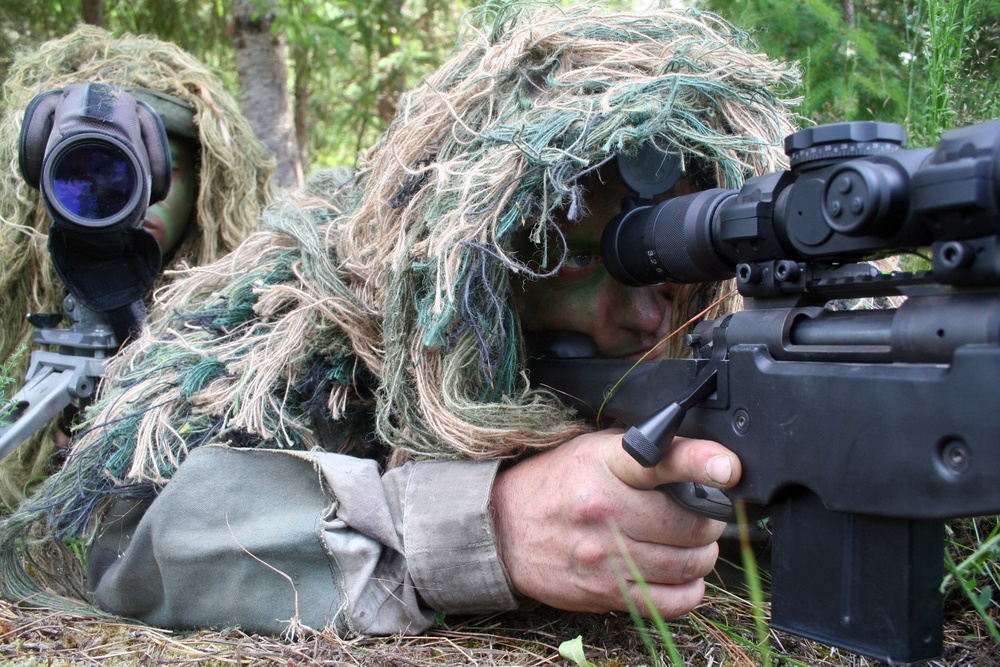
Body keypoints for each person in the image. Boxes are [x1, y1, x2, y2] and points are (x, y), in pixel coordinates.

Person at [0, 3, 798, 636]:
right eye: (579, 256)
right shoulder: (314, 318)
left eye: (673, 261)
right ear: (471, 268)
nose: (651, 307)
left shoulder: (736, 339)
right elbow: (127, 537)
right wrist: (485, 527)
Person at [0, 25, 275, 507]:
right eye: (84, 173)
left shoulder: (256, 310)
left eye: (154, 169)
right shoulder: (13, 304)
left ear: (205, 187)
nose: (127, 199)